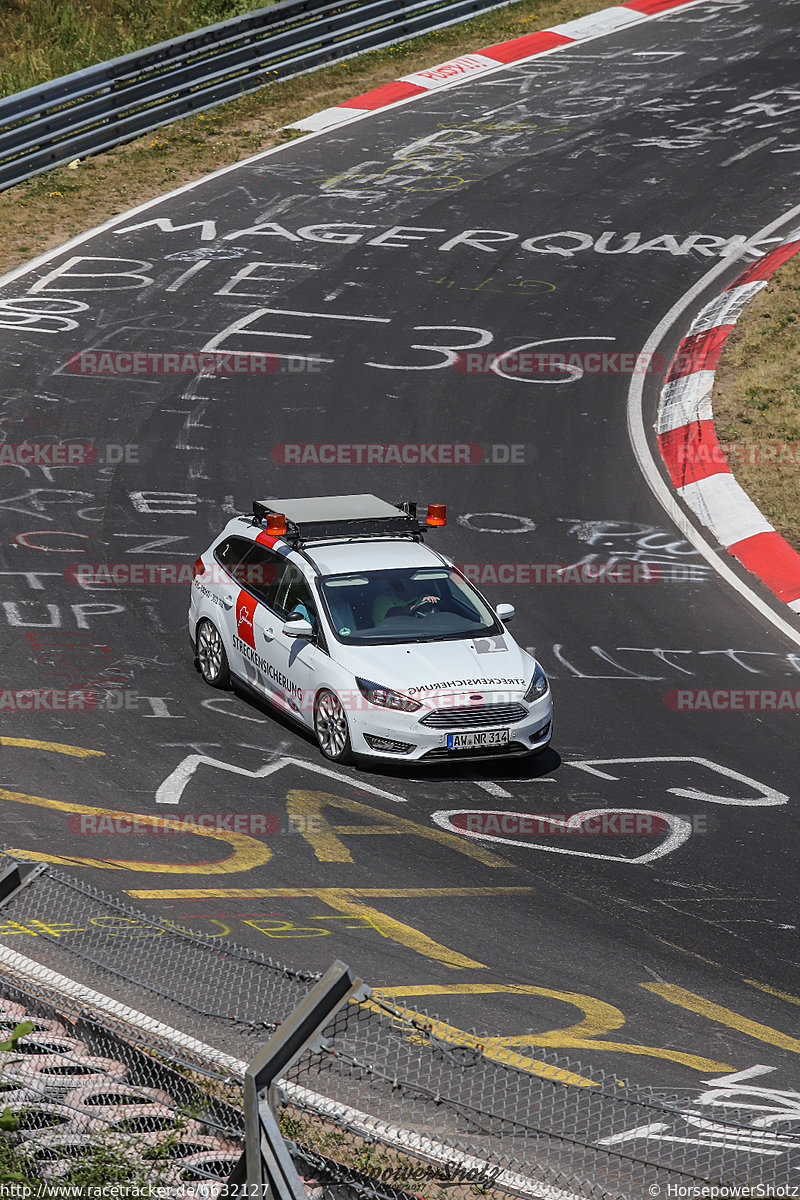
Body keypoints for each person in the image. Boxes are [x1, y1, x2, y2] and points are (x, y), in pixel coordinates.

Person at [371, 576, 440, 624]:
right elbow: (390, 614)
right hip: (391, 636)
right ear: (398, 586)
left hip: (425, 633)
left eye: (417, 584)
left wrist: (432, 601)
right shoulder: (384, 598)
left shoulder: (423, 598)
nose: (417, 587)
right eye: (412, 584)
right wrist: (413, 608)